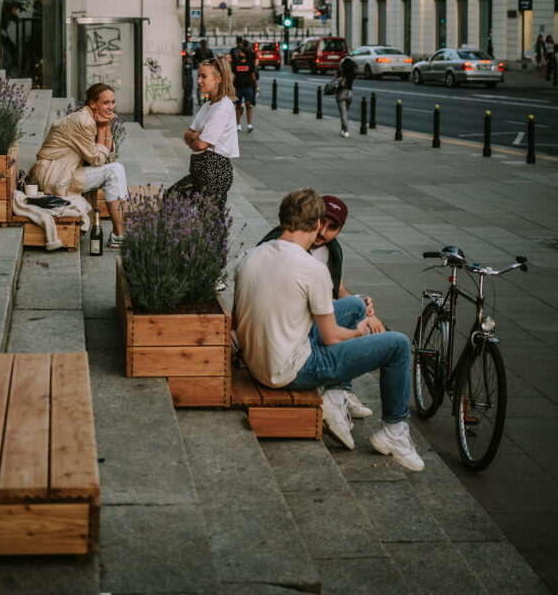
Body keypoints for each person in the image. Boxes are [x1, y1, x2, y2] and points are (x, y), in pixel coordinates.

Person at [234, 188, 423, 471]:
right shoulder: (312, 269)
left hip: (256, 361)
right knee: (396, 344)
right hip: (289, 371)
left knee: (355, 304)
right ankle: (394, 431)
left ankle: (335, 398)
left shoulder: (250, 256)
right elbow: (331, 337)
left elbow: (238, 323)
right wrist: (360, 333)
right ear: (314, 224)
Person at [258, 193, 385, 421]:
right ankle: (339, 392)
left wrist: (366, 308)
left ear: (339, 231)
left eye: (332, 228)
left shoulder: (331, 250)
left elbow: (339, 289)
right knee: (392, 343)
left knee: (356, 305)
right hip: (291, 326)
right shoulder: (286, 243)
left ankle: (341, 392)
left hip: (311, 317)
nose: (324, 232)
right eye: (322, 224)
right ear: (314, 219)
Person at [30, 82, 128, 248]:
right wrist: (103, 127)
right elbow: (97, 160)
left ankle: (120, 232)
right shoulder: (83, 121)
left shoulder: (92, 117)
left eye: (112, 102)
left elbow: (108, 157)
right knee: (115, 171)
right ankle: (119, 234)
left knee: (115, 169)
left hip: (64, 171)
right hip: (53, 174)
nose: (111, 107)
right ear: (92, 103)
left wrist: (106, 126)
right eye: (105, 103)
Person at [167, 56, 239, 212]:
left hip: (214, 171)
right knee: (171, 198)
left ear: (218, 79)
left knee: (209, 222)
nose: (198, 80)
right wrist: (196, 136)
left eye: (203, 76)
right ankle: (177, 235)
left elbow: (200, 144)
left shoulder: (223, 107)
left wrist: (196, 138)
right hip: (200, 171)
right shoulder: (208, 106)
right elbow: (187, 134)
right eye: (198, 75)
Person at [232, 45, 257, 133]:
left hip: (248, 87)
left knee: (248, 105)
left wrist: (256, 86)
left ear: (245, 54)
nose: (240, 53)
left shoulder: (249, 64)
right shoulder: (235, 64)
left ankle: (249, 124)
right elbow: (233, 76)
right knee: (238, 106)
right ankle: (238, 125)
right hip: (238, 87)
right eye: (239, 52)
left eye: (242, 52)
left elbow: (253, 76)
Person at [334, 55, 357, 137]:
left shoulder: (340, 71)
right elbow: (354, 79)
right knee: (345, 112)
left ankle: (346, 131)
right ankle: (343, 128)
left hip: (341, 93)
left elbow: (335, 81)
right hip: (350, 94)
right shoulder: (352, 73)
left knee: (343, 113)